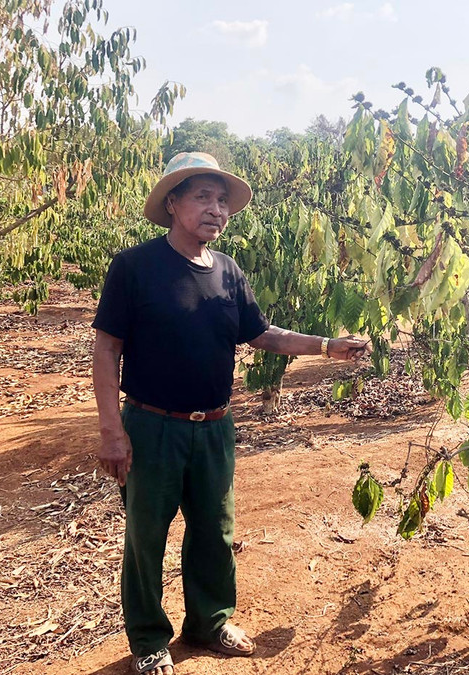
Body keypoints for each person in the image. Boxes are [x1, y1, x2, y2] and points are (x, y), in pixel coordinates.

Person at [92, 152, 368, 675]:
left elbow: (262, 333)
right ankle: (149, 640)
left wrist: (327, 345)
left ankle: (210, 621)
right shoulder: (135, 267)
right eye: (203, 196)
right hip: (152, 426)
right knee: (146, 535)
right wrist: (112, 430)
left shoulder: (227, 271)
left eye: (222, 200)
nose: (216, 209)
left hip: (215, 426)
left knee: (215, 530)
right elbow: (107, 350)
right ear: (172, 203)